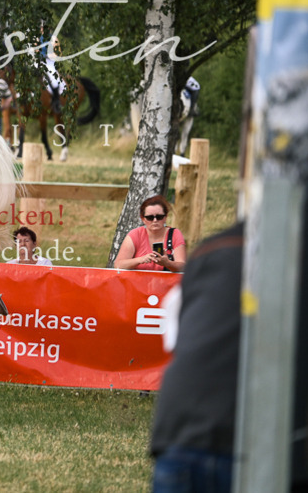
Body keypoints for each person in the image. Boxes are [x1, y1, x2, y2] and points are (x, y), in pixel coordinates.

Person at [150, 222, 243, 492]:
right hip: (243, 439)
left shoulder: (211, 249)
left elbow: (173, 339)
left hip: (180, 431)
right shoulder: (295, 252)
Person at [113, 195, 187, 272]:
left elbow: (183, 267)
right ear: (143, 219)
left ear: (165, 217)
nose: (155, 220)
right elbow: (118, 265)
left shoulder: (175, 234)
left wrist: (168, 263)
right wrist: (140, 260)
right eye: (150, 218)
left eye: (159, 217)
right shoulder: (135, 235)